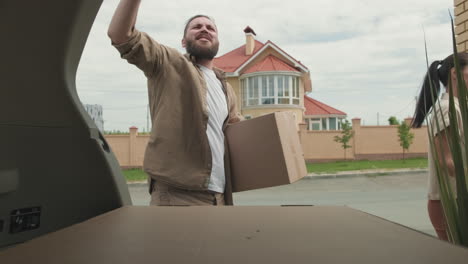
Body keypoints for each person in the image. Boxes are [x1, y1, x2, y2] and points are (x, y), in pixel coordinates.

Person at [108, 0, 243, 206]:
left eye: (210, 28)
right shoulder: (167, 63)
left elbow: (237, 132)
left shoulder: (225, 86)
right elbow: (121, 35)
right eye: (196, 27)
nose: (204, 30)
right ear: (183, 41)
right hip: (178, 194)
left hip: (220, 195)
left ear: (217, 41)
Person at [411, 53, 468, 241]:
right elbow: (448, 161)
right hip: (450, 204)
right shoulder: (447, 108)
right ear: (455, 73)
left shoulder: (458, 107)